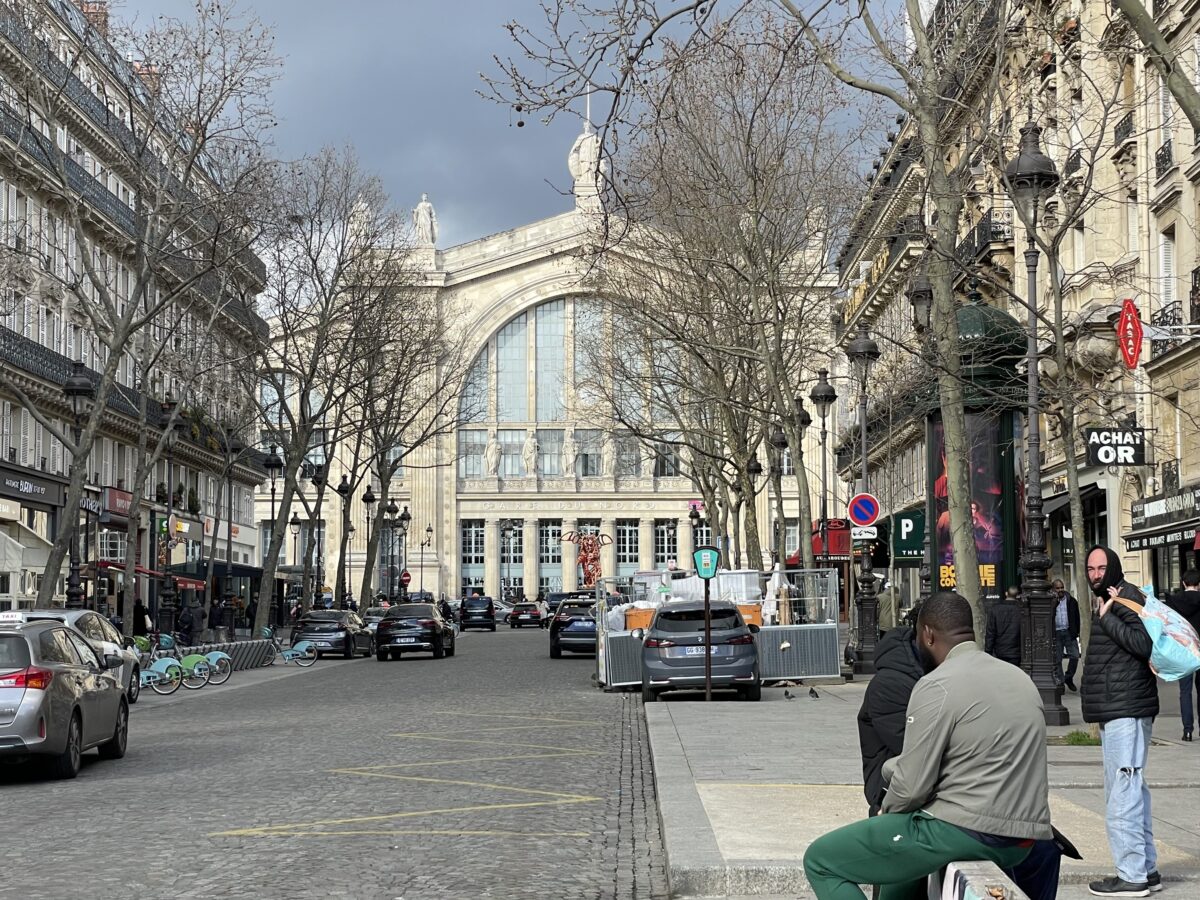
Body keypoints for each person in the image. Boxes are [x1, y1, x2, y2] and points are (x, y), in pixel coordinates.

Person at [805, 592, 1052, 900]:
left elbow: (911, 787)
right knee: (901, 864)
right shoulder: (1020, 679)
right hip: (1023, 840)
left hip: (964, 830)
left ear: (928, 635)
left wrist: (886, 812)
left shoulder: (937, 684)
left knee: (820, 860)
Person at [1081, 545, 1161, 897]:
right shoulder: (1113, 597)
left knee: (1123, 794)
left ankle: (1131, 875)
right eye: (1091, 569)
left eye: (1101, 567)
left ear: (1113, 567)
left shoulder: (1124, 598)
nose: (1096, 574)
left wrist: (1107, 619)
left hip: (1125, 710)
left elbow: (1143, 644)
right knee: (1132, 790)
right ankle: (1147, 869)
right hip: (1121, 708)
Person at [857, 625, 923, 816]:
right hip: (891, 793)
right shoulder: (888, 684)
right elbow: (911, 746)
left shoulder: (914, 676)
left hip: (908, 787)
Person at [1166, 568, 1200, 741]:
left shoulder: (1174, 601)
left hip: (1183, 649)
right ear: (1199, 584)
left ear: (1184, 583)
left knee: (1185, 691)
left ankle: (1187, 730)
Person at [1053, 578, 1081, 692]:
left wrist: (1076, 631)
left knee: (1075, 656)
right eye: (1057, 588)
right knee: (1057, 659)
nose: (1060, 590)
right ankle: (1060, 682)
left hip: (1069, 632)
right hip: (1056, 633)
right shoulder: (1050, 602)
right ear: (1053, 589)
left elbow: (1077, 617)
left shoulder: (1072, 601)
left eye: (1062, 587)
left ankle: (1068, 678)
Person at [985, 586, 1022, 666]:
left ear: (1006, 594)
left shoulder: (995, 609)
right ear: (1018, 595)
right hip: (1016, 651)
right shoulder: (1021, 610)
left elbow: (990, 632)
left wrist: (988, 651)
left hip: (999, 650)